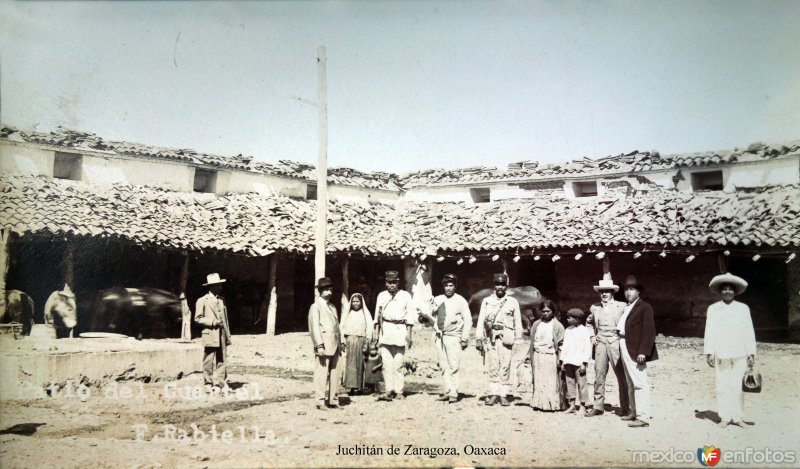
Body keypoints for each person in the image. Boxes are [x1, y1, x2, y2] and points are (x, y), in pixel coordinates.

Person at [704, 273, 756, 429]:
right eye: (724, 289)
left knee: (738, 386)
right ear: (720, 292)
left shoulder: (743, 308)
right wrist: (709, 352)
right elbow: (710, 331)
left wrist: (751, 353)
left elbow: (749, 330)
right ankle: (725, 417)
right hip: (721, 353)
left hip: (740, 352)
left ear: (735, 291)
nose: (727, 292)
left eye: (730, 289)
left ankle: (738, 417)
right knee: (722, 384)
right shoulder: (713, 309)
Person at [476, 273, 523, 406]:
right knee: (493, 365)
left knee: (505, 365)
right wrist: (479, 338)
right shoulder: (487, 301)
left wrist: (518, 340)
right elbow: (480, 321)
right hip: (491, 336)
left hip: (506, 336)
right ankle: (493, 393)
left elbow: (517, 322)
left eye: (503, 284)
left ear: (507, 286)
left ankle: (503, 394)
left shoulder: (512, 302)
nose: (500, 287)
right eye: (498, 284)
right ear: (494, 286)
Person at [585, 273, 629, 417]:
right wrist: (592, 336)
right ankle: (598, 406)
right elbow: (589, 323)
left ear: (612, 293)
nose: (604, 294)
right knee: (599, 374)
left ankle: (625, 407)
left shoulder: (621, 306)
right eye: (602, 292)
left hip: (615, 342)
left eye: (607, 291)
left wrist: (623, 338)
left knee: (621, 375)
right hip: (601, 343)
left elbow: (629, 324)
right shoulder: (594, 307)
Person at [617, 275, 658, 428]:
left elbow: (649, 331)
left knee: (640, 382)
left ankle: (644, 416)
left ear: (638, 291)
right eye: (626, 289)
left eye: (632, 289)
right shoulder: (628, 307)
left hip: (635, 348)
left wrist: (643, 351)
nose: (628, 292)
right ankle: (634, 412)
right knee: (630, 381)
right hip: (624, 343)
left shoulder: (644, 307)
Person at [426, 273, 471, 403]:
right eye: (446, 285)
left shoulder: (460, 300)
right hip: (439, 336)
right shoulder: (438, 299)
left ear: (455, 286)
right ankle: (447, 390)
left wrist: (464, 338)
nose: (448, 288)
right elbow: (431, 315)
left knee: (453, 365)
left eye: (451, 285)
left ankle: (453, 392)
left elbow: (468, 320)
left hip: (454, 336)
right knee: (443, 365)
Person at [373, 270, 415, 401]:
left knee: (398, 364)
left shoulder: (406, 295)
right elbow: (377, 316)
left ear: (398, 282)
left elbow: (410, 316)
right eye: (389, 283)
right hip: (386, 331)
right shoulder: (381, 296)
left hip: (400, 330)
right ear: (386, 283)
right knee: (386, 364)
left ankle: (399, 391)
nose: (392, 285)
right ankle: (388, 390)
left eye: (394, 282)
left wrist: (409, 334)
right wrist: (376, 334)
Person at [308, 277, 345, 410]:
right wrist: (319, 345)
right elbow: (314, 328)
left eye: (330, 290)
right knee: (321, 373)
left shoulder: (332, 306)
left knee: (336, 373)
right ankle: (320, 401)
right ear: (320, 291)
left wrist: (341, 341)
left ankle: (333, 400)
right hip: (324, 345)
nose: (329, 292)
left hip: (335, 344)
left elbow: (337, 326)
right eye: (326, 290)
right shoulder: (315, 307)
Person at [195, 273, 232, 392]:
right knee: (208, 359)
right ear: (212, 286)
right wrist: (213, 322)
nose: (220, 287)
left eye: (220, 285)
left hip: (221, 334)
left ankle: (222, 383)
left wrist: (227, 334)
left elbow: (225, 319)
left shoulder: (222, 300)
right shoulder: (202, 301)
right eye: (218, 285)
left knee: (222, 359)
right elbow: (198, 318)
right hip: (210, 333)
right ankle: (208, 383)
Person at [528, 299, 565, 411]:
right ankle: (539, 403)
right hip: (538, 355)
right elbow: (532, 341)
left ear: (553, 311)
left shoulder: (557, 325)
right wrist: (531, 356)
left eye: (548, 311)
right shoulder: (536, 324)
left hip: (550, 356)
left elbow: (561, 343)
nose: (545, 313)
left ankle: (551, 405)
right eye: (543, 311)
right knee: (539, 379)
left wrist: (560, 359)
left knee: (550, 380)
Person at [341, 293, 374, 395]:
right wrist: (342, 341)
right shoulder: (348, 313)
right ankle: (350, 387)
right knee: (350, 364)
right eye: (354, 301)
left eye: (357, 301)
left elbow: (369, 326)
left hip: (361, 341)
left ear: (361, 302)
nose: (356, 303)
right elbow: (342, 327)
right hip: (350, 341)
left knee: (360, 364)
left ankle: (359, 387)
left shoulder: (365, 314)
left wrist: (368, 339)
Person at [561, 308, 592, 414]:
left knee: (581, 384)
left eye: (569, 318)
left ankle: (583, 405)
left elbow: (587, 348)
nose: (567, 319)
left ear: (577, 319)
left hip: (579, 362)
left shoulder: (584, 331)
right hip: (569, 361)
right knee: (570, 383)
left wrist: (584, 363)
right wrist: (563, 361)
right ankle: (572, 405)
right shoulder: (568, 330)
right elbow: (565, 346)